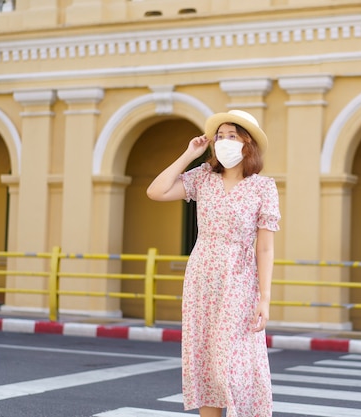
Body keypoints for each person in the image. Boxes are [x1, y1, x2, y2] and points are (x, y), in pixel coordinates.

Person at [146, 110, 280, 417]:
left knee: (235, 364)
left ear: (248, 144)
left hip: (240, 279)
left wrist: (264, 297)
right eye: (220, 136)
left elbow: (265, 248)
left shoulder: (263, 187)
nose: (224, 142)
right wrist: (190, 154)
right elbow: (156, 191)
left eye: (232, 136)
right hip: (202, 277)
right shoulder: (203, 178)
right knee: (207, 361)